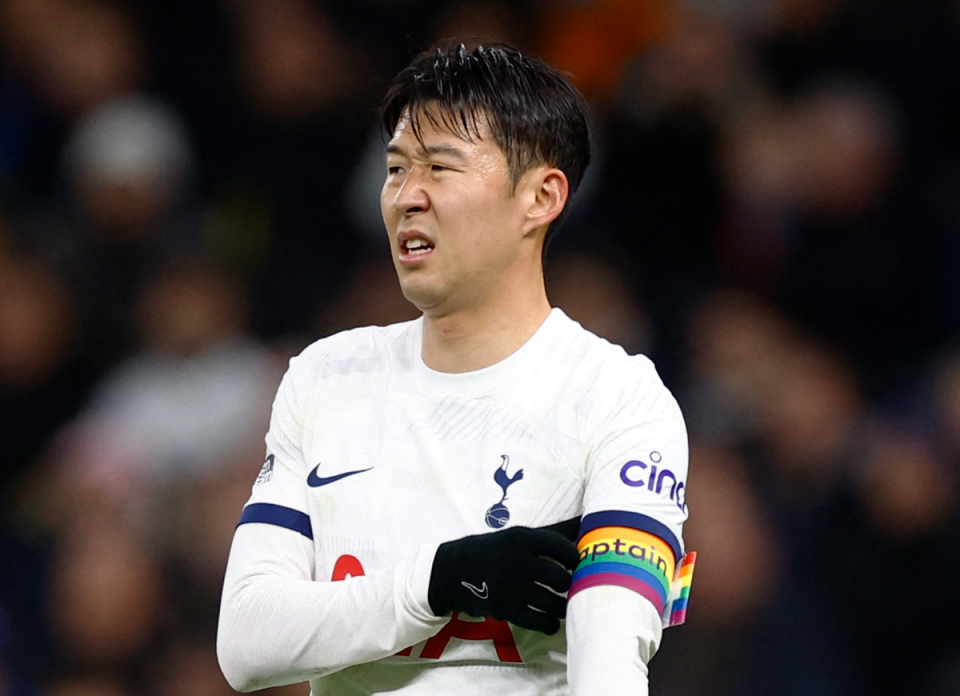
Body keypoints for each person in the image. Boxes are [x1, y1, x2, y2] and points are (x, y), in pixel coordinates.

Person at [217, 41, 692, 696]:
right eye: (395, 169)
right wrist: (439, 581)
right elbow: (246, 642)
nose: (407, 196)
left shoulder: (616, 399)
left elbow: (609, 662)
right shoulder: (325, 378)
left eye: (440, 168)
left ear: (541, 197)